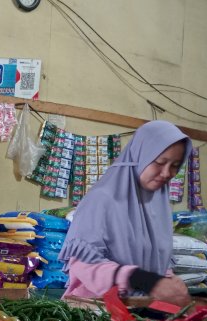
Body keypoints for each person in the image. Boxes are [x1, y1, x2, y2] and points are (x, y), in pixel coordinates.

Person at [59, 120, 192, 307]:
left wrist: (169, 282)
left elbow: (155, 259)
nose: (166, 173)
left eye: (175, 165)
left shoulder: (159, 205)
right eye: (160, 162)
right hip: (95, 310)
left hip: (139, 309)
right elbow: (83, 265)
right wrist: (144, 280)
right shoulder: (102, 199)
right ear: (140, 156)